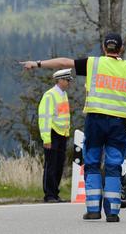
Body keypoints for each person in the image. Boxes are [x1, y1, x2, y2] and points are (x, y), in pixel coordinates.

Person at [21, 33, 126, 223]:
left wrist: (37, 63)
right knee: (114, 165)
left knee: (92, 163)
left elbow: (64, 62)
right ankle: (113, 212)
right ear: (121, 49)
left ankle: (93, 210)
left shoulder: (93, 64)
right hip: (119, 124)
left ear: (105, 48)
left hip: (96, 121)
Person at [38, 69, 73, 203]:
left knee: (59, 164)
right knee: (51, 165)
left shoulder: (63, 95)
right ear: (59, 80)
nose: (68, 83)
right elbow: (45, 118)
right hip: (52, 133)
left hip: (61, 134)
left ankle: (55, 192)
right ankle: (49, 194)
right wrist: (46, 138)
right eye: (66, 80)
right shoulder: (50, 95)